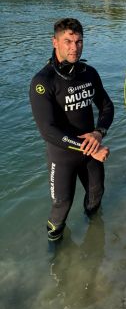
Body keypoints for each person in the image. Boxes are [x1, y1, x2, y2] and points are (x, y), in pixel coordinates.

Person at [30, 18, 114, 241]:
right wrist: (88, 148)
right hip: (63, 155)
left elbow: (107, 106)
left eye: (78, 41)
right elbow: (47, 130)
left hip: (90, 148)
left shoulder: (88, 73)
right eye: (68, 41)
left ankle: (94, 237)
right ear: (55, 42)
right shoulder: (43, 81)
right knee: (62, 206)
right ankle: (55, 249)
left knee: (96, 194)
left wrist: (98, 133)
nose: (74, 48)